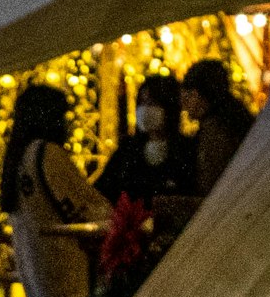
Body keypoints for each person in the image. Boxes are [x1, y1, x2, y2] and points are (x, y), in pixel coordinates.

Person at [0, 85, 105, 297]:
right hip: (66, 275)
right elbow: (79, 205)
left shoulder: (16, 158)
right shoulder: (47, 154)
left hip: (38, 282)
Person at [104, 76, 191, 203]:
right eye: (142, 103)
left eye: (152, 104)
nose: (145, 110)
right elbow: (105, 188)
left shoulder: (185, 150)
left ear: (168, 108)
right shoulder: (127, 149)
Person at [181, 60, 254, 192]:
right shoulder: (233, 119)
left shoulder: (214, 130)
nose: (185, 106)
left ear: (198, 95)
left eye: (188, 96)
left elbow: (210, 183)